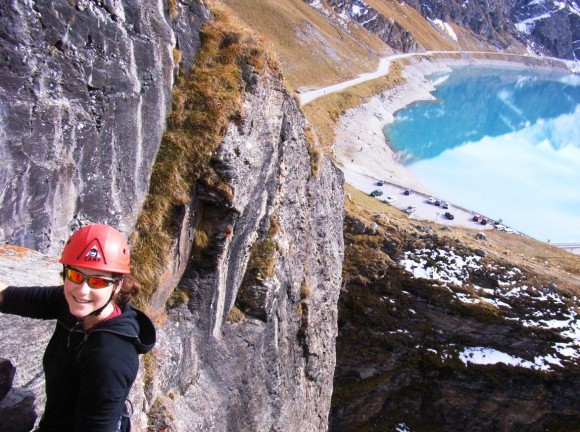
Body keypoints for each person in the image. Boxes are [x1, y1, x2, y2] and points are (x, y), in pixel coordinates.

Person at [0, 224, 156, 432]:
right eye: (75, 276)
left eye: (98, 282)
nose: (82, 290)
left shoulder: (109, 359)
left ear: (117, 285)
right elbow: (10, 297)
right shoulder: (74, 303)